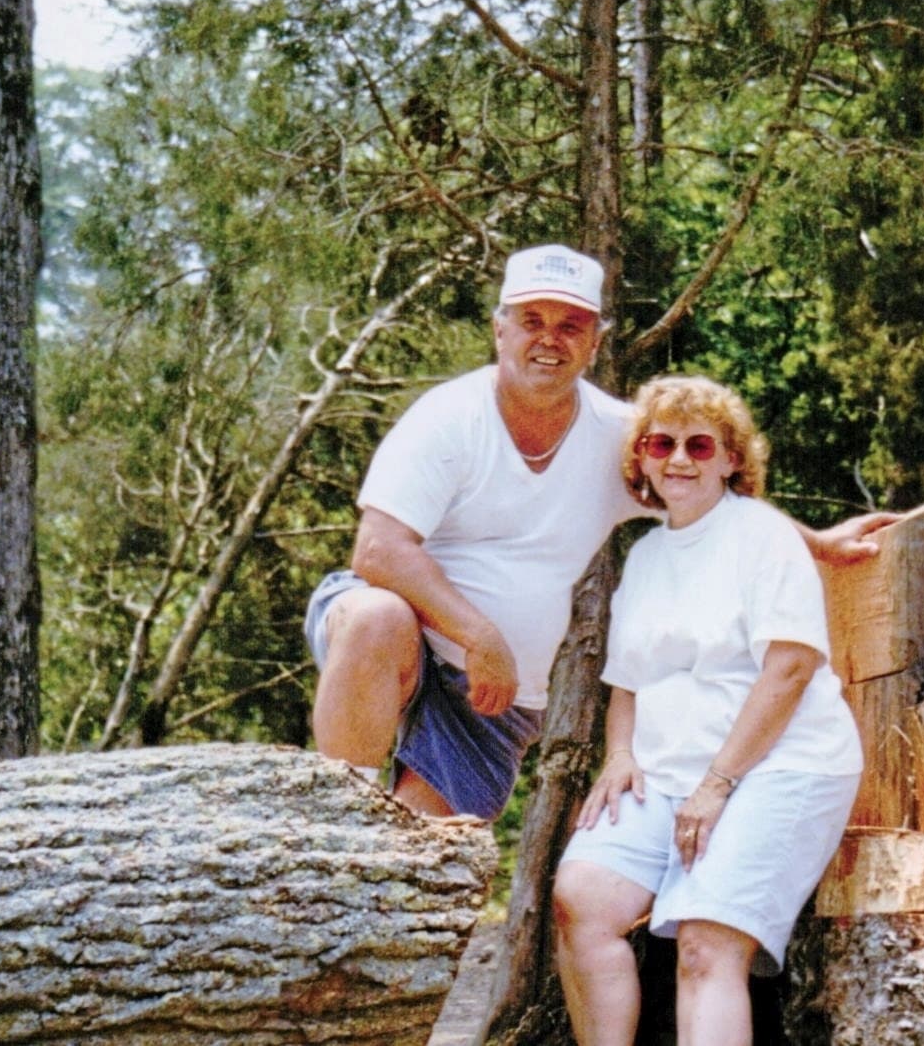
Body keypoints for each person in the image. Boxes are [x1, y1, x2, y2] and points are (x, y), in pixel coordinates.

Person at [304, 244, 889, 821]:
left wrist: (818, 543)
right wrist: (480, 636)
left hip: (494, 701)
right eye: (532, 321)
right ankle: (337, 826)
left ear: (594, 343)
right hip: (403, 643)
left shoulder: (618, 439)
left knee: (420, 863)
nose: (549, 339)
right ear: (500, 330)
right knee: (376, 616)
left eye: (571, 325)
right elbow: (378, 549)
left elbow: (714, 500)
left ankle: (371, 870)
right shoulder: (449, 416)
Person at [552, 375, 867, 1046]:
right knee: (580, 900)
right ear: (639, 458)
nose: (679, 458)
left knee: (704, 945)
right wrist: (619, 753)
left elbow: (789, 666)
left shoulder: (762, 535)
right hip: (667, 776)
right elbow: (627, 682)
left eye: (700, 444)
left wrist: (716, 784)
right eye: (661, 443)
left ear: (731, 459)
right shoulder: (644, 556)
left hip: (781, 766)